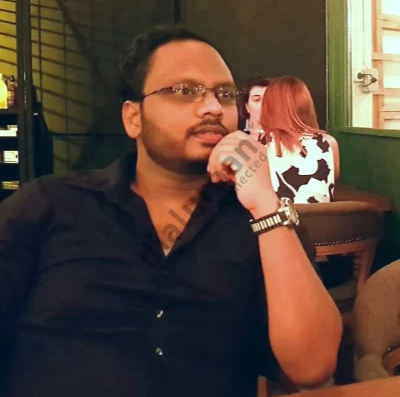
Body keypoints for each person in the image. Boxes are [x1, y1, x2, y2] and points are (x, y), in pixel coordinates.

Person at [0, 26, 342, 397]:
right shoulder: (50, 205)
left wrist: (266, 204)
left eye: (225, 94)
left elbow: (312, 368)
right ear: (133, 118)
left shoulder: (261, 224)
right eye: (184, 90)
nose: (213, 107)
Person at [260, 75, 340, 203]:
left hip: (275, 216)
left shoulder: (253, 143)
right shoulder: (329, 143)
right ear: (307, 106)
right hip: (321, 216)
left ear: (268, 106)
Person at [238, 76, 270, 143]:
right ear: (247, 106)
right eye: (257, 100)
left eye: (268, 99)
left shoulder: (282, 135)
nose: (263, 105)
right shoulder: (235, 128)